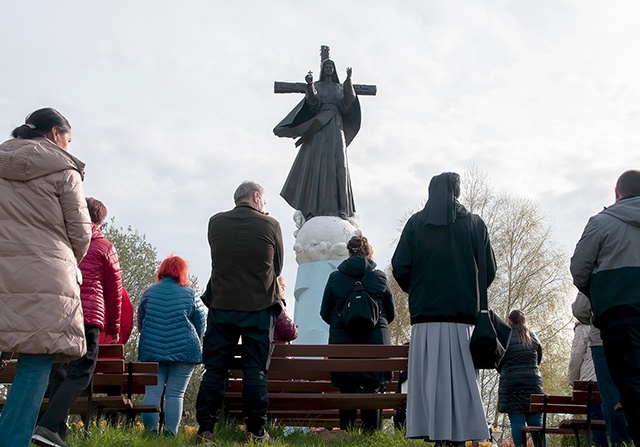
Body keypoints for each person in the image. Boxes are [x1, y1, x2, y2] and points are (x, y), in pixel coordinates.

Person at [0, 108, 91, 447]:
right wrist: (65, 260)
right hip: (46, 276)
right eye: (68, 139)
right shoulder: (63, 170)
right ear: (55, 134)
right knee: (36, 362)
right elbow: (80, 233)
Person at [391, 171, 496, 446]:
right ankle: (458, 435)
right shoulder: (474, 224)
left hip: (426, 318)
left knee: (430, 381)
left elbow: (400, 267)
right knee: (462, 382)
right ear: (457, 193)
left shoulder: (416, 224)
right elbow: (489, 270)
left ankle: (435, 434)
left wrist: (420, 291)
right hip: (463, 318)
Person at [195, 181, 284, 444]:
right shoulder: (271, 225)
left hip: (222, 306)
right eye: (264, 202)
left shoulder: (215, 222)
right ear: (256, 197)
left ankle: (205, 430)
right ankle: (256, 432)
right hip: (258, 308)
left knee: (214, 370)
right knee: (255, 371)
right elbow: (277, 266)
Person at [35, 197, 123, 445]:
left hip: (59, 313)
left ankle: (56, 433)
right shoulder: (104, 246)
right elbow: (114, 291)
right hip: (88, 315)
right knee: (81, 373)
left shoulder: (60, 240)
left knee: (59, 373)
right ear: (100, 220)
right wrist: (113, 326)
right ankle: (48, 425)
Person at [570, 169, 640, 445]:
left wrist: (598, 295)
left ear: (616, 192)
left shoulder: (601, 223)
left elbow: (579, 270)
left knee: (630, 385)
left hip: (618, 316)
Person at [320, 235, 395, 433]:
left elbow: (324, 312)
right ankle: (371, 435)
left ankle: (347, 432)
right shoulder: (379, 277)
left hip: (343, 344)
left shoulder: (335, 277)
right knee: (373, 387)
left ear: (349, 252)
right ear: (369, 252)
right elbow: (391, 312)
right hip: (375, 343)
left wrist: (343, 322)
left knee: (347, 388)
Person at [274, 58, 361, 220]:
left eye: (331, 66)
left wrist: (348, 81)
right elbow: (313, 103)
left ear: (334, 69)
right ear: (323, 69)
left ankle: (342, 208)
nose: (328, 68)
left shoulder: (340, 87)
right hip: (320, 130)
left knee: (339, 164)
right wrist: (310, 85)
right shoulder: (319, 87)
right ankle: (314, 206)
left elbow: (347, 103)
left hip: (336, 128)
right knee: (317, 164)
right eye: (326, 66)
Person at [137, 255, 207, 437]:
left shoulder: (149, 292)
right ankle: (171, 433)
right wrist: (196, 338)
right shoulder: (190, 294)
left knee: (152, 391)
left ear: (162, 271)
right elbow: (201, 322)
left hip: (152, 350)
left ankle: (150, 434)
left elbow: (141, 321)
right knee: (176, 394)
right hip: (185, 350)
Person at [572, 292, 631, 446]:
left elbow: (579, 310)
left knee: (608, 400)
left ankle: (617, 443)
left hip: (602, 340)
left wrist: (573, 380)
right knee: (631, 391)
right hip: (633, 335)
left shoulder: (595, 269)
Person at [498, 310, 545, 447]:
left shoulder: (504, 336)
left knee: (517, 422)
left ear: (509, 320)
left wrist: (505, 371)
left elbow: (498, 360)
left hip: (511, 385)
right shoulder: (532, 337)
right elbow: (538, 359)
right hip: (533, 384)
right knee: (537, 423)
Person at [567, 317, 607, 447]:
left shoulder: (584, 326)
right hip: (613, 379)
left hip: (591, 381)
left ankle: (601, 445)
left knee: (596, 416)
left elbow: (576, 355)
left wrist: (574, 381)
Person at [273, 277, 298, 346]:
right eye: (282, 287)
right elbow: (289, 332)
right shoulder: (277, 304)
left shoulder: (258, 303)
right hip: (278, 351)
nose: (284, 290)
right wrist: (294, 328)